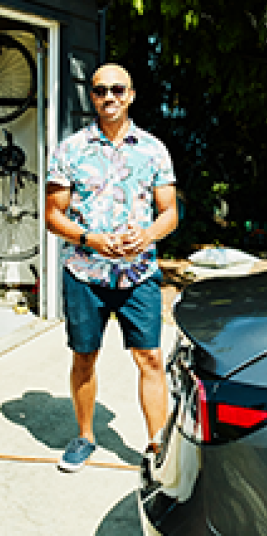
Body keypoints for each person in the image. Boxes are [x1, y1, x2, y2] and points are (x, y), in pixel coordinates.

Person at [45, 63, 178, 472]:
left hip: (138, 274)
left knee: (151, 359)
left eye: (118, 89)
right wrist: (90, 239)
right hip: (86, 273)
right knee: (84, 357)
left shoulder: (153, 149)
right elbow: (52, 215)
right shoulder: (70, 149)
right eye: (101, 90)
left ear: (131, 94)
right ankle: (84, 437)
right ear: (92, 96)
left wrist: (149, 235)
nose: (110, 97)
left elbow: (169, 212)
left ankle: (157, 445)